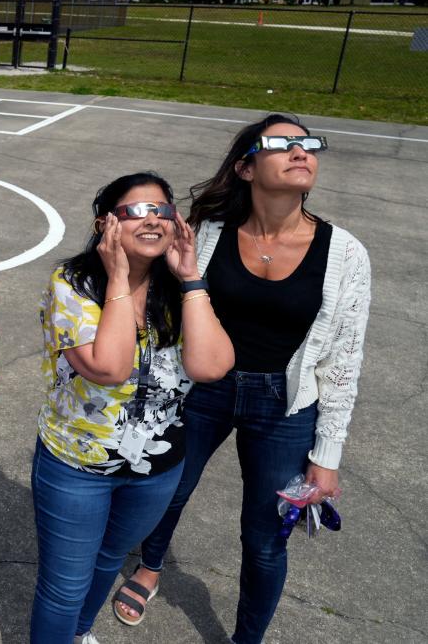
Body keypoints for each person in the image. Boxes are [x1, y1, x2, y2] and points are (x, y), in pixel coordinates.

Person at [123, 115, 371, 644]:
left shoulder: (345, 253)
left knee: (264, 540)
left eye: (307, 144)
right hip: (204, 388)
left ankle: (246, 639)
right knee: (167, 492)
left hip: (285, 404)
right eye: (282, 144)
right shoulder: (207, 234)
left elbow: (344, 361)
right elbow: (165, 309)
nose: (300, 151)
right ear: (245, 167)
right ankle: (149, 567)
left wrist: (327, 454)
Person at [30, 172, 233, 644]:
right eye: (136, 210)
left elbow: (212, 366)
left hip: (156, 469)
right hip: (78, 465)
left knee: (108, 559)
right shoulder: (74, 283)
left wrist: (191, 278)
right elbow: (109, 366)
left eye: (162, 210)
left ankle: (79, 634)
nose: (153, 219)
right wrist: (119, 277)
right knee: (64, 587)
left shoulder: (179, 291)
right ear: (106, 224)